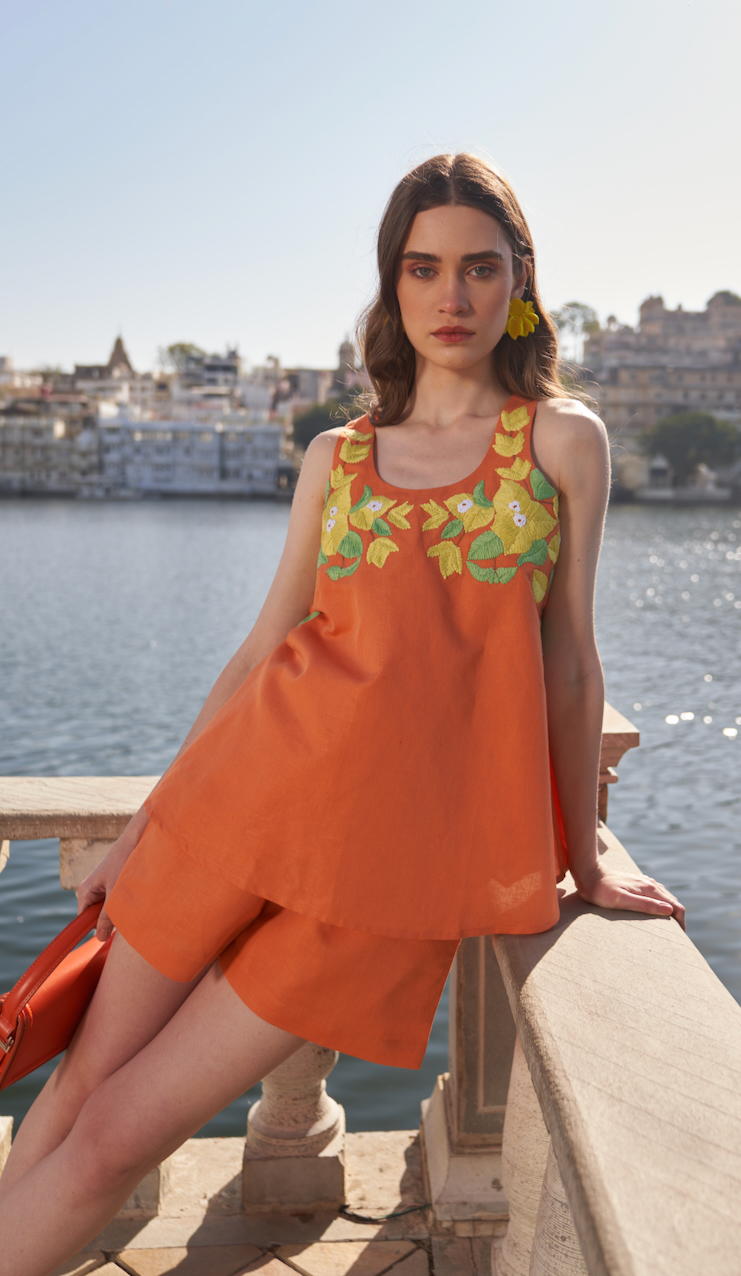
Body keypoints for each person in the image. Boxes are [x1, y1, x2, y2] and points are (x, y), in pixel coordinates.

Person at [0, 153, 684, 1274]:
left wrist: (583, 859)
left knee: (121, 1134)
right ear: (392, 285)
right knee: (75, 1091)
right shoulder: (339, 455)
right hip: (228, 812)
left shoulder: (560, 443)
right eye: (422, 269)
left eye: (478, 267)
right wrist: (139, 829)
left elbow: (568, 662)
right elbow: (264, 649)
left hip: (380, 881)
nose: (450, 297)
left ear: (519, 282)